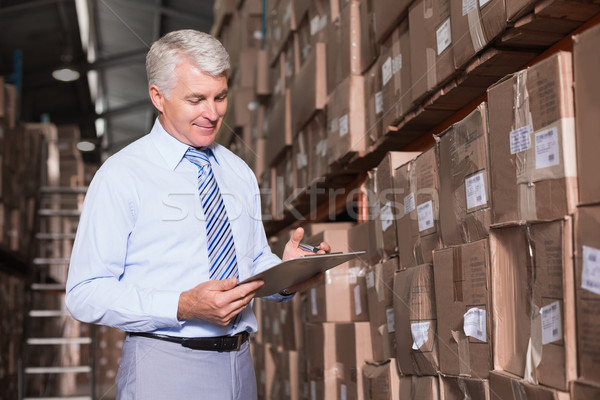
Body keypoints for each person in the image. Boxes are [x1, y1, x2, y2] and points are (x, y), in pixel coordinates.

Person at [65, 29, 329, 399]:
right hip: (164, 367)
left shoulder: (238, 171)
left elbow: (249, 259)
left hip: (240, 365)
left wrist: (287, 273)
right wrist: (182, 305)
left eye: (220, 97)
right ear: (159, 96)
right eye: (196, 99)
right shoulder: (122, 175)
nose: (213, 112)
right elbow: (84, 293)